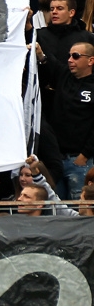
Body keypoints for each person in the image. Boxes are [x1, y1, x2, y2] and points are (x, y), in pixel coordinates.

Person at [37, 40, 94, 200]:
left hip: (80, 160)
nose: (70, 60)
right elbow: (50, 63)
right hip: (55, 160)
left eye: (75, 56)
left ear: (90, 60)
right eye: (69, 56)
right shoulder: (64, 75)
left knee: (79, 209)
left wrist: (84, 155)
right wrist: (40, 54)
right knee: (55, 206)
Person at [37, 0, 94, 65]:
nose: (54, 12)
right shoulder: (40, 35)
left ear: (71, 13)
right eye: (52, 9)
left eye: (59, 8)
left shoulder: (86, 37)